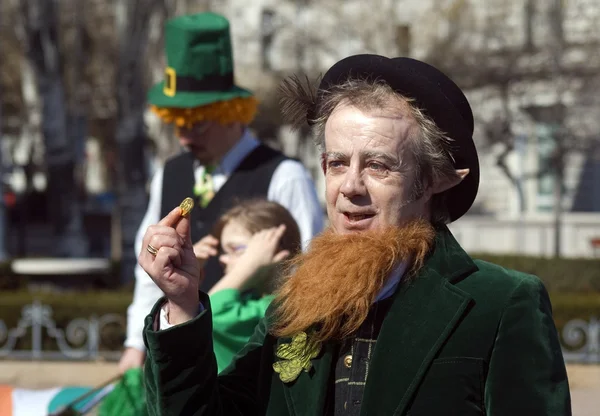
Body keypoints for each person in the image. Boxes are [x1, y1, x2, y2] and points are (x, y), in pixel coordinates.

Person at [138, 54, 571, 415]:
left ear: (435, 180)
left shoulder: (501, 303)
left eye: (379, 165)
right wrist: (182, 303)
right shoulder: (294, 306)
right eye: (337, 163)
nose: (350, 187)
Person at [118, 12, 324, 373]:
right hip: (181, 361)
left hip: (253, 363)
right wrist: (136, 347)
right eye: (177, 123)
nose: (184, 137)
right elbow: (148, 268)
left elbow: (309, 273)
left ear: (230, 113)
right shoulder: (171, 173)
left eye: (196, 123)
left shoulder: (284, 175)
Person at [181, 199, 302, 372]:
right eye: (223, 251)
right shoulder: (248, 300)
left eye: (236, 249)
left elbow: (212, 314)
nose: (222, 259)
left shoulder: (282, 307)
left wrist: (249, 264)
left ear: (275, 248)